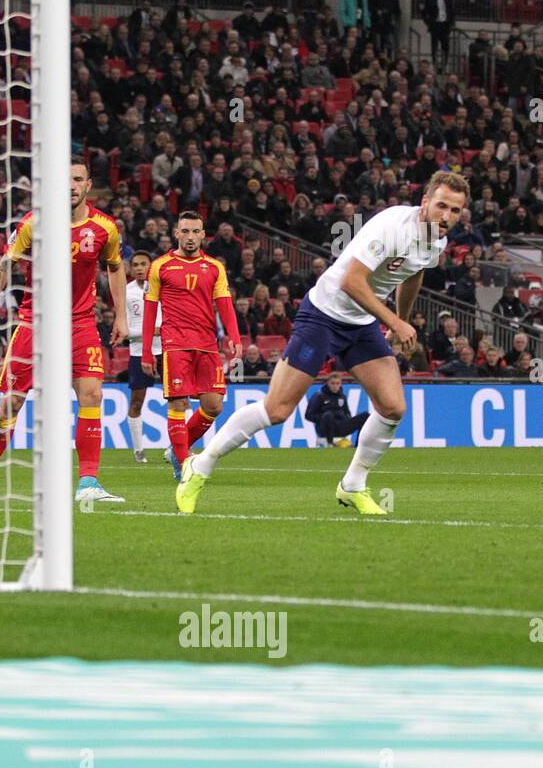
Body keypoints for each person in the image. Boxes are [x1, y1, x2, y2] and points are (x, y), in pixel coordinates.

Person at [177, 172, 471, 516]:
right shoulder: (391, 226)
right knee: (277, 410)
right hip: (324, 315)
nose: (447, 216)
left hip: (361, 323)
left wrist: (398, 320)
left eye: (455, 210)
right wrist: (394, 321)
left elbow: (413, 273)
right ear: (425, 202)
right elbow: (351, 281)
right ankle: (201, 465)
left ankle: (353, 486)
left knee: (393, 407)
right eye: (441, 206)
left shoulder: (436, 240)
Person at [0, 156, 129, 503]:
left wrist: (120, 316)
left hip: (81, 323)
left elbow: (115, 268)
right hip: (34, 324)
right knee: (10, 404)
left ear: (88, 185)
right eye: (64, 179)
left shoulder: (105, 228)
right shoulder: (33, 223)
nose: (70, 185)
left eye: (78, 179)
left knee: (92, 395)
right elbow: (5, 263)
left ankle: (88, 482)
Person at [142, 212, 242, 481]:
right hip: (175, 342)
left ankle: (177, 448)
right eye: (184, 231)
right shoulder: (160, 266)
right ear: (176, 233)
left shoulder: (214, 267)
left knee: (213, 406)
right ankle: (184, 461)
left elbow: (224, 304)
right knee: (178, 401)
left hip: (207, 343)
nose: (189, 237)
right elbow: (150, 310)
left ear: (202, 235)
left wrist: (234, 337)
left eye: (194, 231)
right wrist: (146, 352)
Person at [124, 251, 160, 464]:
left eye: (143, 264)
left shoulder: (162, 288)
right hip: (138, 352)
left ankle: (181, 447)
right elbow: (124, 330)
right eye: (135, 264)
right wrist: (149, 332)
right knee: (137, 401)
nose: (139, 268)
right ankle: (138, 450)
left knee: (179, 398)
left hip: (164, 349)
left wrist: (161, 330)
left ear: (150, 266)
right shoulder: (126, 293)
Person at [304, 373, 369, 447]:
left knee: (365, 416)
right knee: (328, 415)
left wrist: (345, 418)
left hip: (340, 426)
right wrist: (322, 418)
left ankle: (358, 446)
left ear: (341, 384)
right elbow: (308, 415)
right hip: (325, 428)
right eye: (333, 383)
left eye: (338, 383)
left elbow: (347, 412)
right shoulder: (319, 396)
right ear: (328, 383)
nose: (335, 386)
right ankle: (330, 444)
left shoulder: (342, 396)